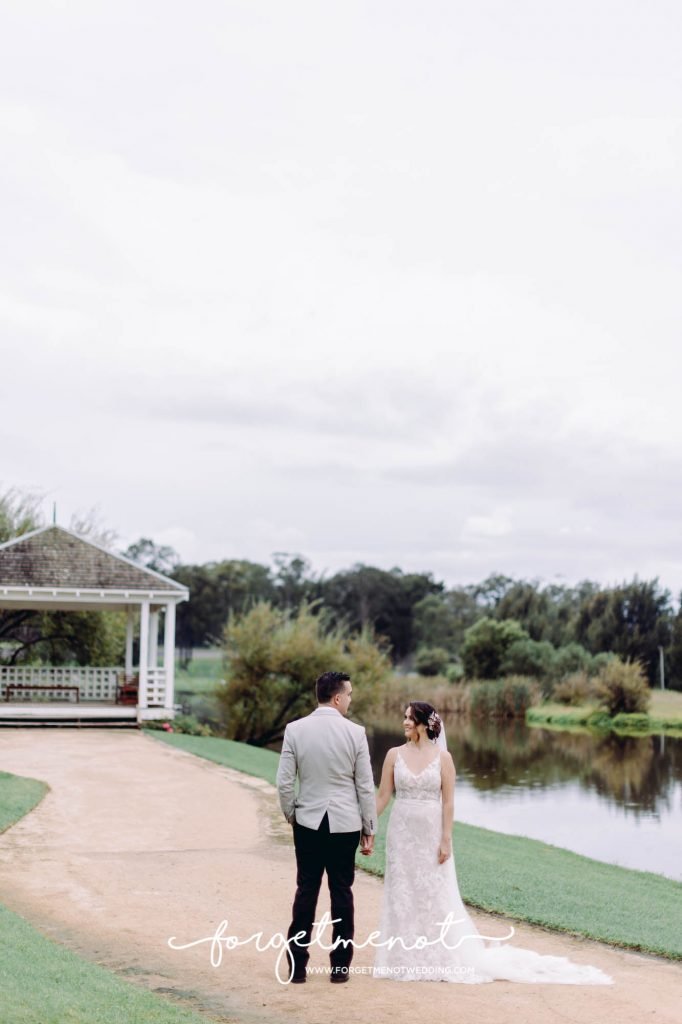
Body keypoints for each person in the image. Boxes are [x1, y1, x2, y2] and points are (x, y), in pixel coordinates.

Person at [372, 701, 613, 985]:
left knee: (433, 892)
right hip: (401, 833)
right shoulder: (394, 755)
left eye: (410, 718)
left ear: (424, 724)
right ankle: (402, 956)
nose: (404, 722)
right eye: (404, 718)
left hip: (430, 833)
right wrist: (368, 825)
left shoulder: (443, 758)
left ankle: (437, 955)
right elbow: (383, 796)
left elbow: (448, 803)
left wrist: (446, 838)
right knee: (402, 890)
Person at [276, 670, 377, 984]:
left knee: (306, 890)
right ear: (336, 698)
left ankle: (297, 968)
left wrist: (292, 814)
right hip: (345, 825)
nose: (350, 700)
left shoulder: (295, 729)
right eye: (348, 695)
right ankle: (340, 969)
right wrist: (369, 827)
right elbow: (365, 786)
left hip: (307, 821)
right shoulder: (355, 733)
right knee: (341, 893)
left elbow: (284, 782)